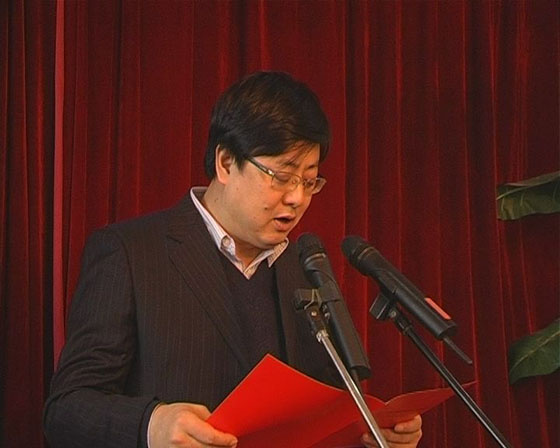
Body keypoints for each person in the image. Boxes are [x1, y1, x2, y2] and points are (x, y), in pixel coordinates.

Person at [44, 71, 422, 448]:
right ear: (226, 162)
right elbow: (66, 410)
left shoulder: (305, 269)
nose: (297, 198)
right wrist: (150, 425)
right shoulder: (130, 253)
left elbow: (326, 414)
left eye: (309, 181)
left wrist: (369, 435)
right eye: (282, 176)